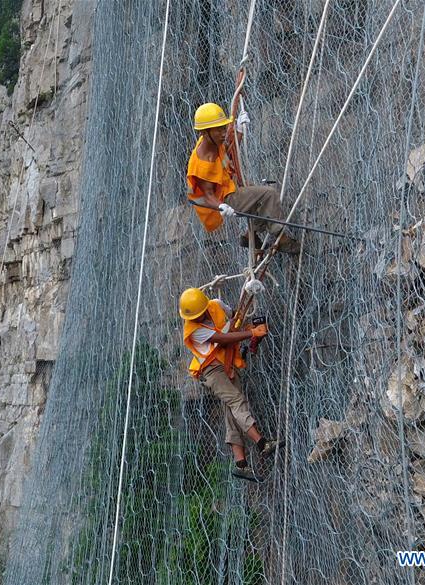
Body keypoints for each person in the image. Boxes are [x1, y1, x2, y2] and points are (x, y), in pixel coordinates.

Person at [179, 286, 277, 480]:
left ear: (205, 306)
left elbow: (235, 318)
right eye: (193, 317)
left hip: (227, 363)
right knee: (236, 401)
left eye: (199, 314)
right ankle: (263, 443)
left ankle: (241, 464)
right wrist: (252, 333)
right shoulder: (193, 330)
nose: (197, 319)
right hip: (211, 370)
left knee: (231, 412)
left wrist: (247, 326)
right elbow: (222, 338)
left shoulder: (216, 305)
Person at [187, 102, 300, 253]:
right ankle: (281, 238)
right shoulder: (203, 162)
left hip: (229, 186)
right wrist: (222, 207)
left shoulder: (211, 142)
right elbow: (208, 196)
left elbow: (228, 153)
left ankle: (250, 235)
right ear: (205, 132)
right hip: (224, 199)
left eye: (223, 128)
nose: (223, 133)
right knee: (268, 194)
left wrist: (239, 131)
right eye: (218, 130)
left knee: (257, 195)